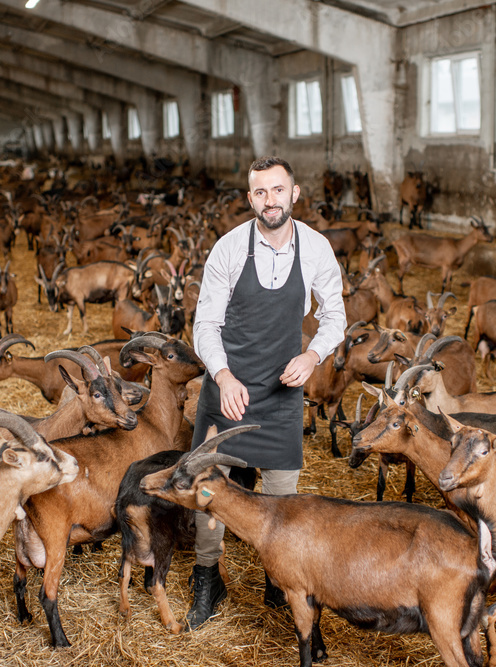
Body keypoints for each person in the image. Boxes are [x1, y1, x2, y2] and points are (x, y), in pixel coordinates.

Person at [187, 156, 347, 629]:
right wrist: (222, 376)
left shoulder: (316, 249)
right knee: (209, 491)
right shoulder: (230, 249)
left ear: (294, 194)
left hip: (282, 393)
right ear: (250, 198)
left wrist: (312, 355)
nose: (269, 200)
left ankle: (276, 582)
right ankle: (207, 577)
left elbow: (335, 317)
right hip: (229, 389)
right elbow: (205, 326)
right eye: (260, 192)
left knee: (282, 499)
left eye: (278, 190)